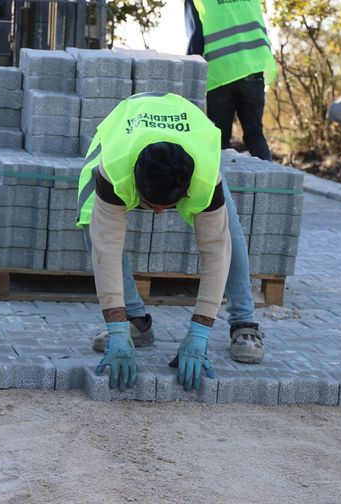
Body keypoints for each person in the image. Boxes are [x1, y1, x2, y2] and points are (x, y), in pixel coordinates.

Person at [78, 92, 231, 392]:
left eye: (169, 206)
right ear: (135, 186)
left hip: (188, 126)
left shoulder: (205, 174)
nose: (160, 213)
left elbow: (216, 252)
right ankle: (134, 322)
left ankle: (245, 323)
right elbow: (106, 249)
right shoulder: (114, 166)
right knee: (93, 225)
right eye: (152, 205)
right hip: (125, 126)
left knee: (228, 237)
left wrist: (200, 333)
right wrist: (116, 328)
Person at [185, 0, 277, 161]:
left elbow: (195, 40)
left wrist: (189, 75)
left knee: (219, 140)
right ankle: (271, 183)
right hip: (253, 70)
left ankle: (221, 185)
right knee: (254, 134)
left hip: (220, 75)